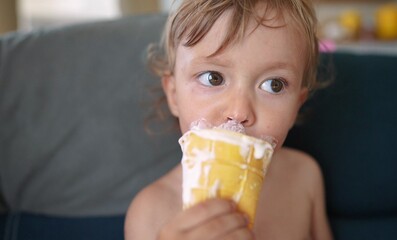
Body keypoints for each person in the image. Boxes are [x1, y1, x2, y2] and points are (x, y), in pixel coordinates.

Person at [125, 0, 333, 239]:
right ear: (173, 95)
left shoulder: (304, 177)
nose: (239, 111)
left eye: (273, 85)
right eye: (213, 78)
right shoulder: (150, 212)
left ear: (296, 105)